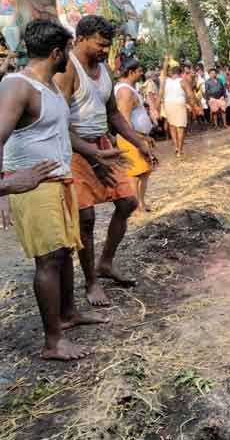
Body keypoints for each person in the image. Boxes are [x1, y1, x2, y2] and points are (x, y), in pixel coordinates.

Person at [0, 20, 111, 360]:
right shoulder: (18, 85)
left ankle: (68, 315)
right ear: (56, 52)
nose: (69, 60)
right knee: (47, 261)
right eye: (67, 52)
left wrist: (93, 153)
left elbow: (61, 133)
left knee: (62, 253)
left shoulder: (47, 87)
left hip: (59, 182)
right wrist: (6, 185)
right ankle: (53, 342)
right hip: (33, 186)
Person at [54, 16, 154, 307]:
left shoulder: (105, 70)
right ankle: (91, 281)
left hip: (103, 145)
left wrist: (138, 142)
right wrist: (90, 154)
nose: (104, 50)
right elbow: (60, 121)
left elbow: (113, 114)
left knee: (127, 202)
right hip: (75, 150)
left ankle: (105, 263)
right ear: (81, 38)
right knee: (86, 219)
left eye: (108, 46)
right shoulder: (68, 70)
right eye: (100, 44)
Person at [114, 59, 155, 217]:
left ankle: (141, 203)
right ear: (131, 72)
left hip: (138, 137)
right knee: (134, 174)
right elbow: (124, 121)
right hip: (130, 138)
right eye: (139, 71)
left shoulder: (129, 89)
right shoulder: (125, 91)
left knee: (144, 171)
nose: (142, 74)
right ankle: (137, 207)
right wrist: (138, 139)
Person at [161, 66, 193, 157]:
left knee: (172, 126)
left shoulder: (166, 81)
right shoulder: (182, 81)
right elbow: (190, 95)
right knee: (180, 127)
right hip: (179, 105)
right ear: (181, 73)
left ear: (172, 73)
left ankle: (176, 147)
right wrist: (194, 106)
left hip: (168, 105)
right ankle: (180, 149)